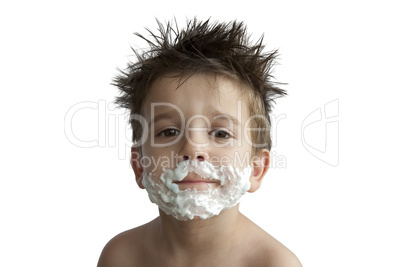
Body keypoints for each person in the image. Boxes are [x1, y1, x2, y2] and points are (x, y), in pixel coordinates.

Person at [97, 18, 302, 267]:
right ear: (140, 166)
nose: (193, 148)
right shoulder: (122, 257)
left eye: (221, 134)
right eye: (169, 131)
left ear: (256, 169)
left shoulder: (273, 263)